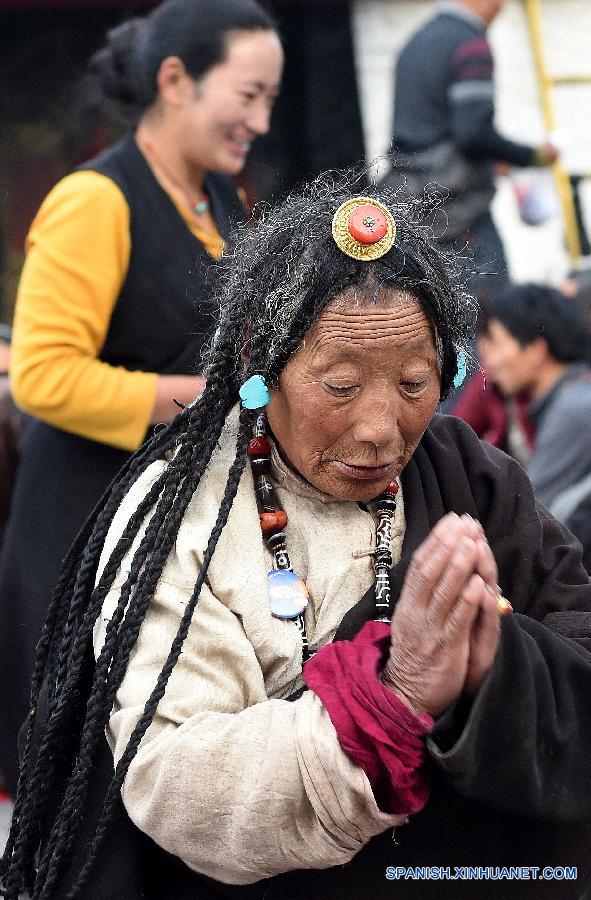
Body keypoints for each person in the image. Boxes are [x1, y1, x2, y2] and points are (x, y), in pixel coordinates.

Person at [2, 181, 591, 900]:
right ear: (262, 362)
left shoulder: (471, 477)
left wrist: (491, 667)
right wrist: (393, 696)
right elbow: (173, 776)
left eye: (413, 383)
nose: (380, 429)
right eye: (340, 386)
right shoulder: (186, 510)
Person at [0, 0, 283, 796]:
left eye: (271, 100)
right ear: (175, 80)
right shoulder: (96, 199)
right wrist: (216, 398)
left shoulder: (217, 200)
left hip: (168, 520)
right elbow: (43, 375)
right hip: (84, 530)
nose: (261, 122)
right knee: (92, 783)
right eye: (248, 95)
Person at [384, 0, 558, 302]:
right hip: (459, 208)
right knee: (490, 310)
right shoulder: (469, 43)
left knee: (440, 307)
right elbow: (473, 133)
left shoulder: (416, 41)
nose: (501, 6)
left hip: (414, 202)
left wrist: (492, 161)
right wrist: (533, 156)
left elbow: (423, 131)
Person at [484, 282, 591, 565]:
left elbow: (532, 520)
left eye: (498, 343)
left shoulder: (572, 411)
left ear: (535, 350)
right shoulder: (575, 395)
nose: (490, 361)